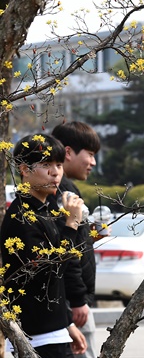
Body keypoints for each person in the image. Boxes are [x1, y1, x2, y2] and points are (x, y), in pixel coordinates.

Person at [1, 134, 87, 357]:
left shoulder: (44, 210)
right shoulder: (22, 217)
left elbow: (55, 281)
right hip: (38, 336)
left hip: (53, 329)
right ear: (24, 170)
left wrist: (67, 323)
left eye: (59, 164)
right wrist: (72, 225)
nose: (55, 172)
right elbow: (49, 270)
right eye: (46, 165)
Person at [49, 121, 102, 358]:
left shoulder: (66, 191)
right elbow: (65, 251)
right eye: (90, 154)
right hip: (72, 304)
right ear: (68, 152)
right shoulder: (63, 194)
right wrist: (79, 299)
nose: (93, 162)